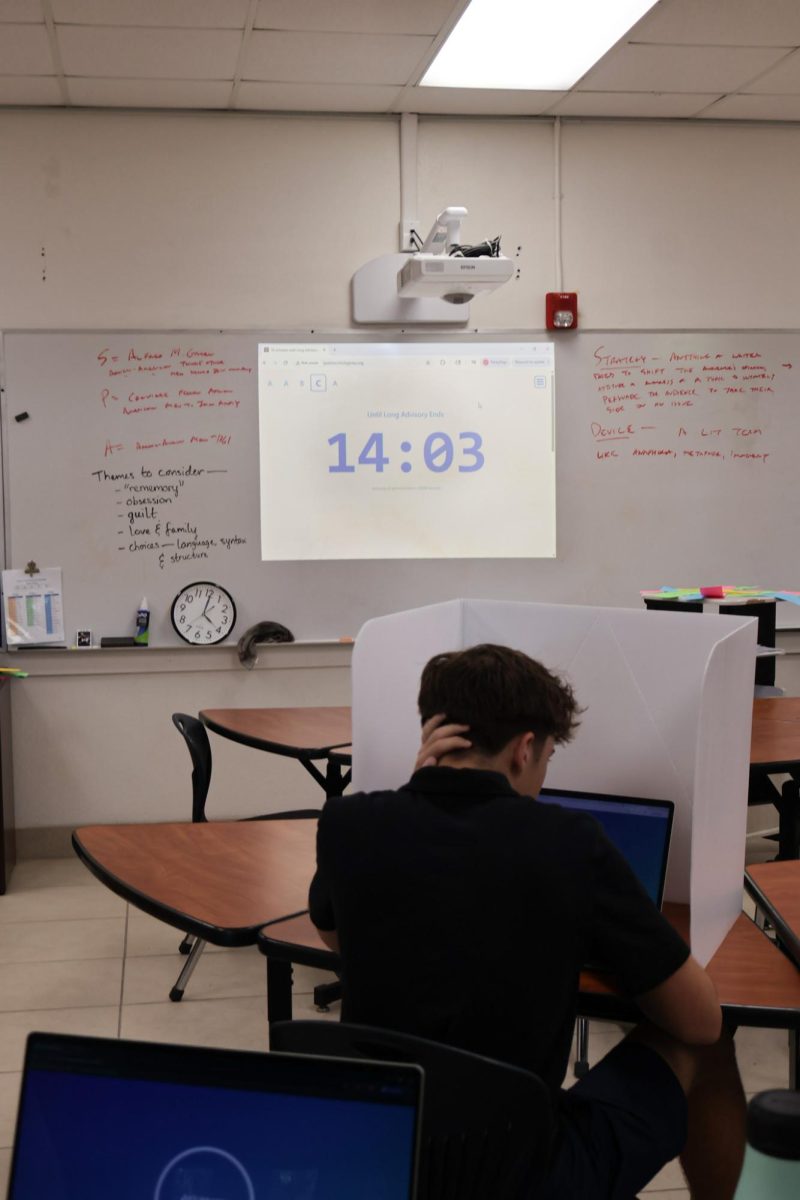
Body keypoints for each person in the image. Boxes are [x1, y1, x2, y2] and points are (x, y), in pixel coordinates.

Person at [309, 643, 746, 1198]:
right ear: (524, 750)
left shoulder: (349, 822)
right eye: (546, 759)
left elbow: (336, 932)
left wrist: (413, 789)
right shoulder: (568, 843)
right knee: (708, 1043)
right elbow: (700, 1020)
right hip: (523, 1177)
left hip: (381, 1158)